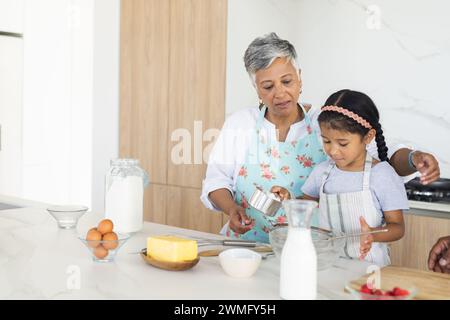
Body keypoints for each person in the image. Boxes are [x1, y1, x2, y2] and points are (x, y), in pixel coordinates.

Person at [200, 33, 440, 243]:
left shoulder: (325, 122)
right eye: (268, 86)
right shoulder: (240, 124)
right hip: (246, 245)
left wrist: (413, 158)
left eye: (287, 81)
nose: (280, 93)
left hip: (310, 248)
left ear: (300, 77)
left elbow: (381, 154)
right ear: (256, 89)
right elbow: (216, 181)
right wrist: (231, 209)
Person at [273, 89, 408, 266]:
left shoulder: (382, 175)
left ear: (368, 136)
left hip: (369, 269)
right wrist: (288, 198)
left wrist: (372, 234)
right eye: (327, 141)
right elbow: (306, 205)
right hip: (328, 264)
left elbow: (397, 227)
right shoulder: (322, 172)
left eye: (342, 143)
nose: (333, 151)